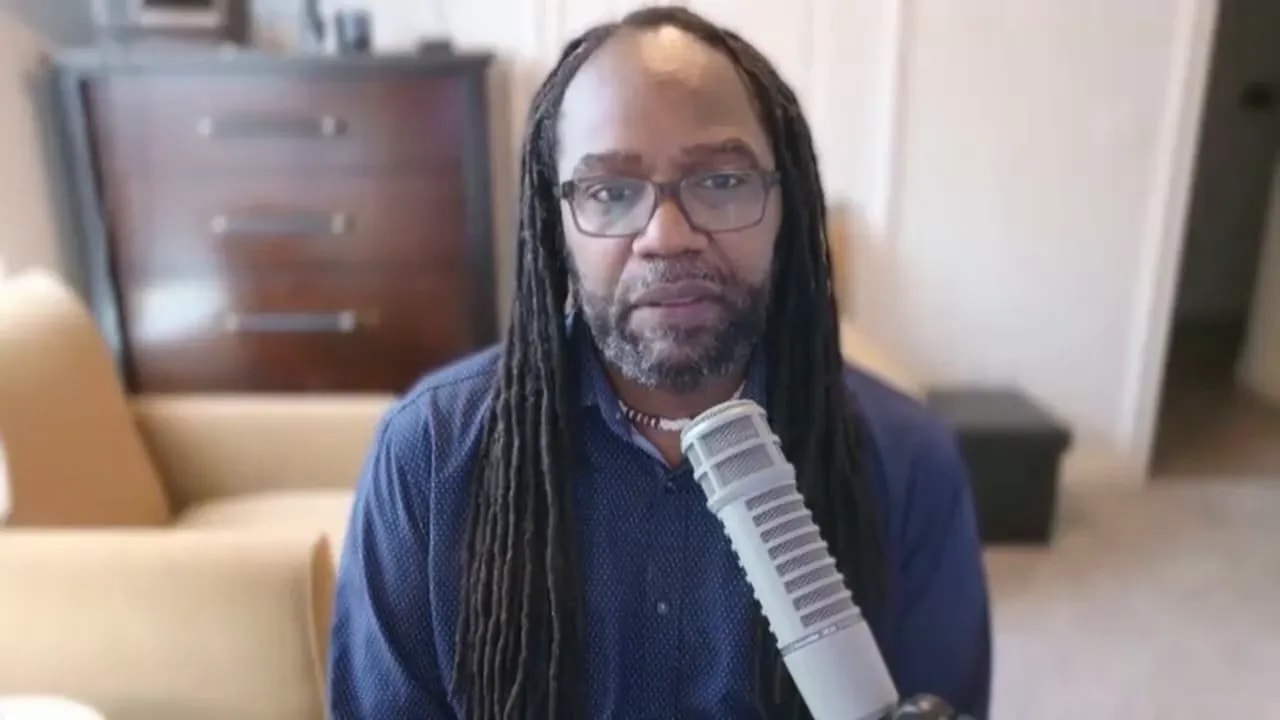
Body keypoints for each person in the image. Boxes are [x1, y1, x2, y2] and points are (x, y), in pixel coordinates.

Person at [327, 6, 992, 719]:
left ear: (787, 205)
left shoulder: (906, 461)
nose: (667, 237)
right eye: (611, 192)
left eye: (722, 182)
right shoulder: (429, 455)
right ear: (556, 224)